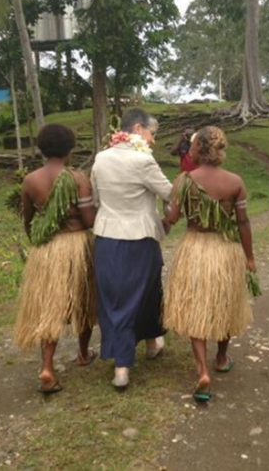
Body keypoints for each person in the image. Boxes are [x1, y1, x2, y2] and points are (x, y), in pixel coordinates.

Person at [163, 126, 255, 402]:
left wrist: (165, 208)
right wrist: (249, 257)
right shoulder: (235, 182)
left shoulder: (184, 180)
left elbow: (172, 218)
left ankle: (202, 371)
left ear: (196, 149)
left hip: (194, 249)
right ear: (220, 149)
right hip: (225, 250)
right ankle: (221, 357)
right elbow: (243, 222)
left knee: (196, 308)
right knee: (224, 304)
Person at [91, 108, 172, 389]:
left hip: (106, 239)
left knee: (117, 297)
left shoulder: (100, 159)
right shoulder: (143, 161)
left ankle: (152, 341)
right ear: (138, 129)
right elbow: (171, 193)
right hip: (139, 240)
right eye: (152, 134)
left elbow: (96, 199)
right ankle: (122, 367)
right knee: (140, 295)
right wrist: (167, 219)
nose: (153, 141)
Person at [14, 124, 97, 394]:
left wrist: (36, 243)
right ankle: (83, 353)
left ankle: (47, 367)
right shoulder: (78, 178)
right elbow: (88, 221)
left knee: (49, 307)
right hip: (76, 246)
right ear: (70, 150)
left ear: (42, 149)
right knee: (83, 300)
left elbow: (27, 220)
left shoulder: (30, 180)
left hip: (45, 249)